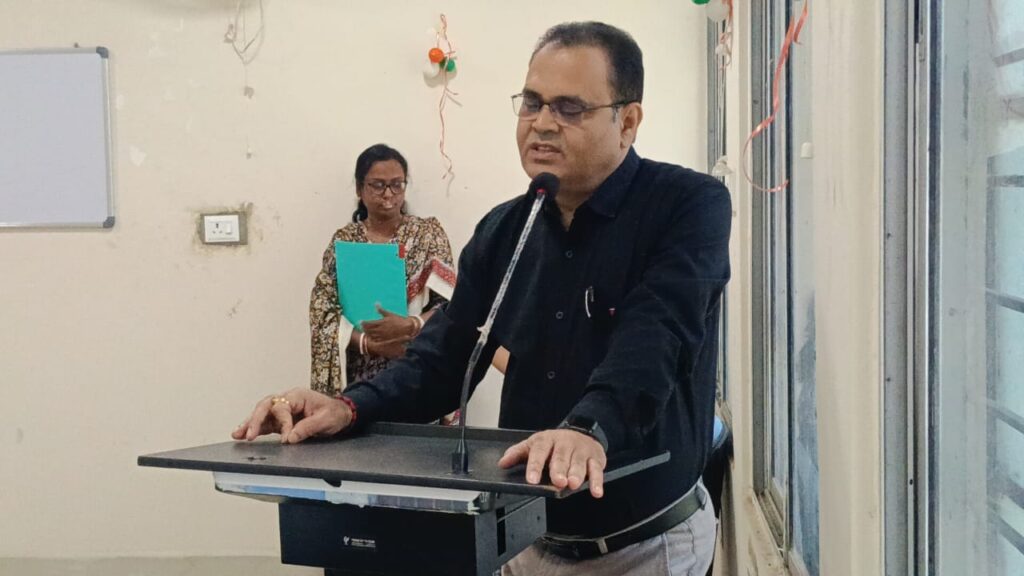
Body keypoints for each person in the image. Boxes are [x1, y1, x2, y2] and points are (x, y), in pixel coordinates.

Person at [234, 22, 731, 576]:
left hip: (641, 547)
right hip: (522, 539)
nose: (543, 123)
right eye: (532, 103)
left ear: (628, 121)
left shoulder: (687, 206)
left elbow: (658, 335)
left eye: (570, 108)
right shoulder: (505, 230)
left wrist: (589, 428)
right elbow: (442, 359)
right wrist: (350, 407)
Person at [308, 144, 456, 398]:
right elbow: (323, 312)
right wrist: (369, 344)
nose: (388, 194)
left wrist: (412, 325)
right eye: (378, 185)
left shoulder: (428, 235)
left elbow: (451, 304)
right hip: (358, 375)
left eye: (397, 185)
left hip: (415, 365)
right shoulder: (345, 241)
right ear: (359, 189)